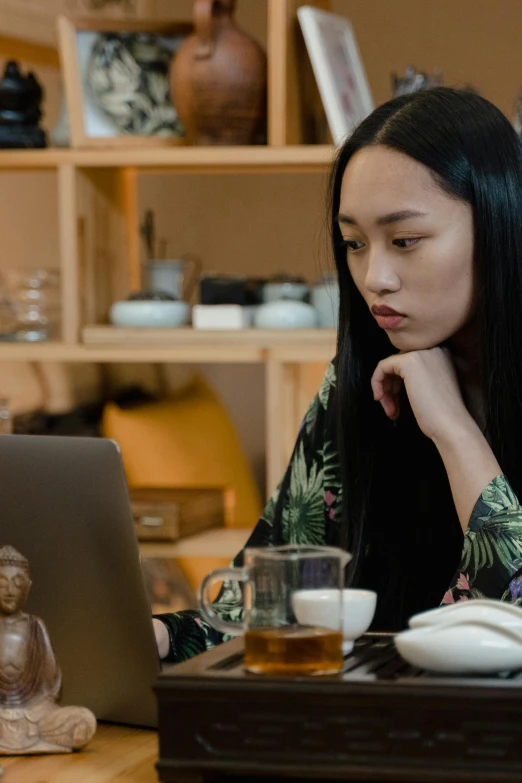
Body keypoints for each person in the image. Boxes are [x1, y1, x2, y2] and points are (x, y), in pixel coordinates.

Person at [152, 86, 522, 663]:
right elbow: (259, 612)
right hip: (383, 729)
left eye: (405, 241)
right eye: (353, 243)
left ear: (499, 224)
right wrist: (142, 638)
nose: (374, 276)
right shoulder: (363, 381)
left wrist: (453, 429)